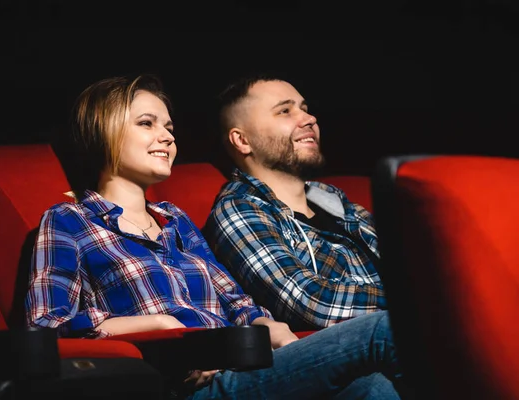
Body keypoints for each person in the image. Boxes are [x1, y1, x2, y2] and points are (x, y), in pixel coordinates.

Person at [25, 74, 403, 399]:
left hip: (240, 369)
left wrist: (265, 325)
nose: (167, 137)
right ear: (100, 129)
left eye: (169, 128)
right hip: (180, 387)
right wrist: (157, 326)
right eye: (147, 123)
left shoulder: (175, 221)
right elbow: (46, 326)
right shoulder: (69, 221)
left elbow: (237, 302)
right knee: (384, 330)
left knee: (371, 388)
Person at [202, 74, 386, 332]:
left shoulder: (333, 199)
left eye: (305, 109)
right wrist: (416, 299)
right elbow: (309, 301)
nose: (309, 119)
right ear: (242, 141)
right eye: (285, 111)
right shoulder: (239, 208)